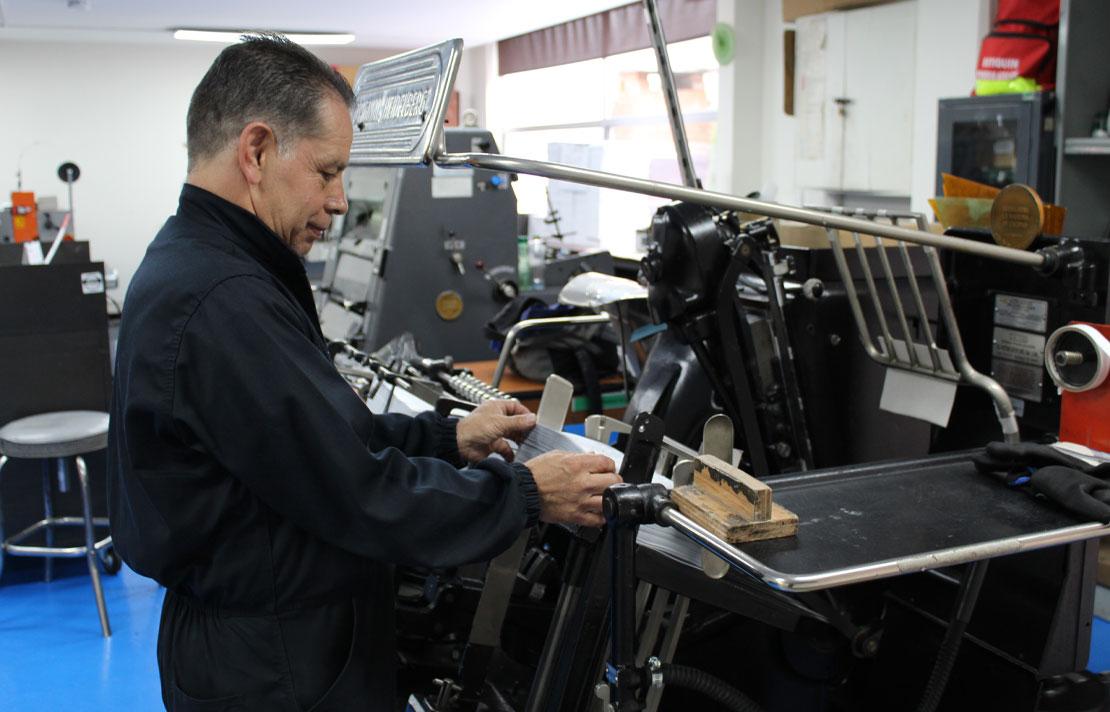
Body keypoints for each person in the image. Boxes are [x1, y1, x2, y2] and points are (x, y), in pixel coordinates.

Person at [107, 33, 619, 712]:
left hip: (267, 638)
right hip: (275, 666)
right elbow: (358, 492)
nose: (342, 200)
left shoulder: (201, 264)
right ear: (257, 152)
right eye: (327, 172)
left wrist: (450, 438)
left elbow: (314, 442)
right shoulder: (223, 299)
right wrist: (524, 495)